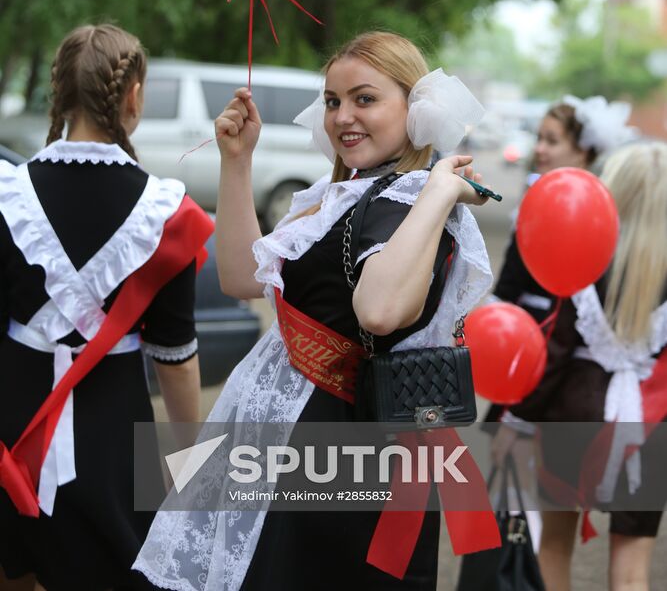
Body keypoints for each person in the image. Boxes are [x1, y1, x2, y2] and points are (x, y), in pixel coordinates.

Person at [134, 30, 497, 591]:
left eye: (364, 98)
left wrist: (437, 191)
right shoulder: (349, 195)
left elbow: (378, 311)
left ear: (416, 110)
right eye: (333, 101)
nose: (342, 116)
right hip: (278, 437)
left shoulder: (410, 201)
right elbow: (240, 278)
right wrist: (238, 162)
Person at [0, 24, 213, 591]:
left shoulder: (8, 195)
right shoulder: (166, 212)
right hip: (117, 430)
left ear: (58, 94)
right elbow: (177, 356)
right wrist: (192, 467)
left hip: (13, 422)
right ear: (134, 95)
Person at [498, 140, 667, 591]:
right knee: (633, 571)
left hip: (571, 417)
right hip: (649, 429)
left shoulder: (588, 255)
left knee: (554, 545)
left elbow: (554, 350)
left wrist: (517, 417)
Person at [494, 96, 634, 324]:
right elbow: (509, 283)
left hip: (571, 335)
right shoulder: (537, 197)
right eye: (539, 138)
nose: (539, 148)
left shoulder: (601, 211)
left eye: (552, 141)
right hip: (524, 325)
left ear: (582, 152)